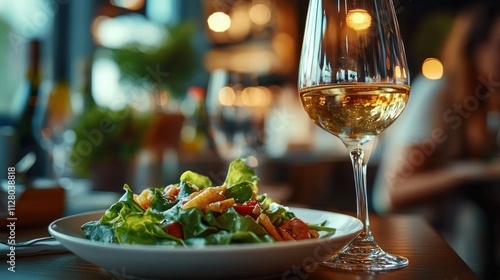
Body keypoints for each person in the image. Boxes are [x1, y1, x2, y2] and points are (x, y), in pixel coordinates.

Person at [373, 3, 500, 278]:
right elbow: (391, 193)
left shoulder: (479, 103)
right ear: (473, 47)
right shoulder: (437, 93)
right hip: (413, 243)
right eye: (499, 47)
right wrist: (466, 173)